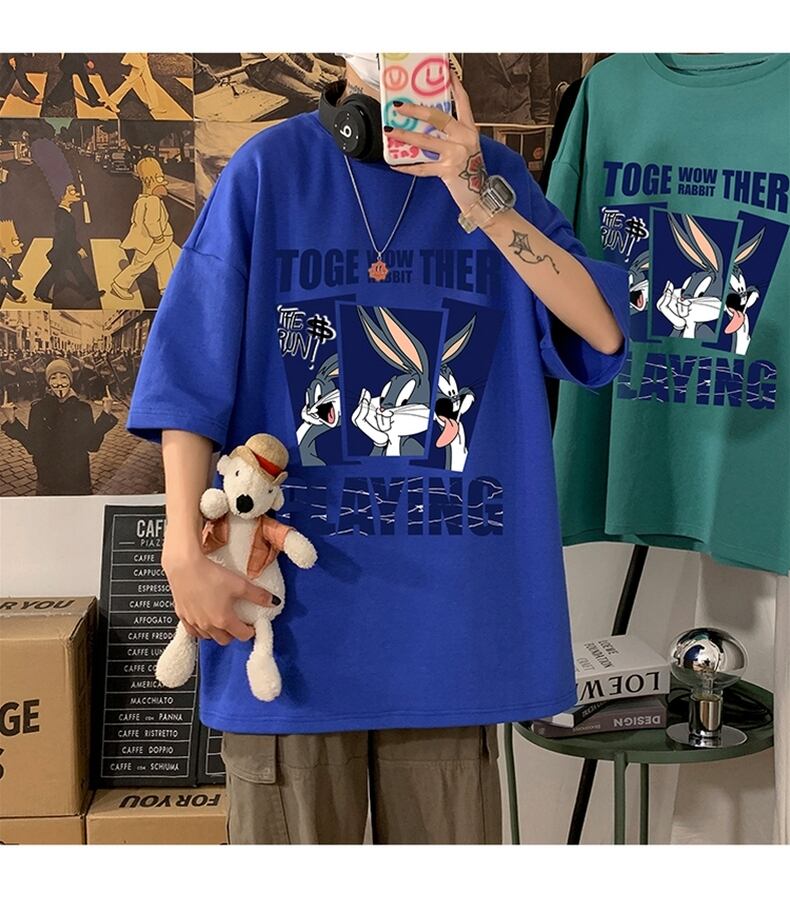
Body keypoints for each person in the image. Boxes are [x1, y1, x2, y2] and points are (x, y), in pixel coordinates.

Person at [125, 54, 629, 844]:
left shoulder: (493, 178)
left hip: (446, 634)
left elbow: (600, 331)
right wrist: (181, 552)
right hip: (287, 626)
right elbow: (188, 376)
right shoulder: (267, 172)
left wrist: (476, 194)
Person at [1, 357, 118, 495]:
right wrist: (12, 421)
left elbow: (92, 445)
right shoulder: (39, 408)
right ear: (48, 382)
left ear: (70, 380)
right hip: (48, 480)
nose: (59, 382)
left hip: (78, 481)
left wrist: (105, 414)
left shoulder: (83, 409)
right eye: (53, 378)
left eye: (63, 377)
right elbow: (33, 446)